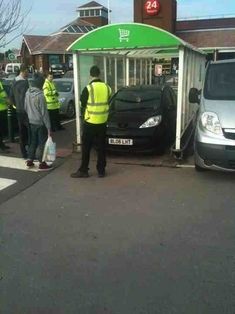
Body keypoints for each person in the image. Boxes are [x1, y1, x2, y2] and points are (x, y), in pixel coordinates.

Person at [71, 65, 112, 178]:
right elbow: (108, 100)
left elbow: (82, 104)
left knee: (87, 147)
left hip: (90, 122)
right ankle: (101, 170)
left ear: (90, 75)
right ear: (99, 74)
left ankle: (84, 170)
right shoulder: (107, 87)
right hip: (103, 122)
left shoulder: (88, 88)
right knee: (101, 147)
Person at [24, 73, 52, 171]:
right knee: (42, 143)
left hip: (31, 121)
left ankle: (30, 160)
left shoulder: (27, 93)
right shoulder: (40, 96)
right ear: (41, 84)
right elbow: (44, 113)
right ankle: (42, 163)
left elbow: (25, 107)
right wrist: (49, 127)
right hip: (40, 123)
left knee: (33, 141)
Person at [9, 64, 30, 158]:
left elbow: (11, 96)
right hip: (26, 110)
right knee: (29, 131)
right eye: (27, 71)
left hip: (18, 110)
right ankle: (28, 150)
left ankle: (23, 151)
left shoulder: (14, 81)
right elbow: (27, 97)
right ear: (23, 71)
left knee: (22, 131)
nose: (28, 73)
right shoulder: (24, 82)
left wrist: (15, 105)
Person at [0, 81, 10, 151]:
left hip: (2, 109)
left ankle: (2, 144)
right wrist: (6, 101)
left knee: (1, 129)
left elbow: (2, 93)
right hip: (0, 109)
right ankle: (2, 146)